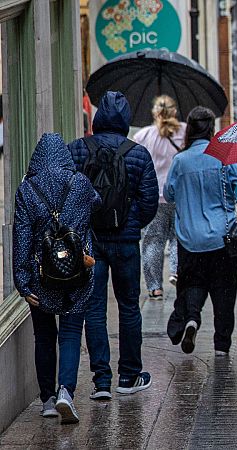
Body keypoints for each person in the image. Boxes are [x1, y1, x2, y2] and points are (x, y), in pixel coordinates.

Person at [69, 91, 158, 399]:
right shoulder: (138, 153)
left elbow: (69, 195)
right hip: (126, 243)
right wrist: (130, 224)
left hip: (90, 242)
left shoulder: (78, 150)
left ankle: (101, 381)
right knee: (129, 307)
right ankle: (129, 376)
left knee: (94, 309)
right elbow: (149, 202)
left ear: (97, 117)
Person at [14, 133, 101, 424]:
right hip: (77, 273)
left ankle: (48, 400)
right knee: (71, 333)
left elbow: (22, 237)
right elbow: (97, 203)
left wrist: (22, 282)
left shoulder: (27, 189)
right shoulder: (79, 183)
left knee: (43, 336)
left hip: (42, 276)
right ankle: (66, 390)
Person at [164, 107, 237, 356]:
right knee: (224, 295)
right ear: (211, 129)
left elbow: (168, 194)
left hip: (190, 240)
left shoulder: (180, 160)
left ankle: (192, 320)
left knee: (193, 285)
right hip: (223, 238)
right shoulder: (224, 158)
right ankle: (221, 346)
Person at [133, 95, 186, 301]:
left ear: (155, 113)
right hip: (179, 195)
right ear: (174, 112)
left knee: (152, 241)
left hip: (153, 198)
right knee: (178, 237)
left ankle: (155, 287)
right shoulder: (184, 131)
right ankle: (176, 271)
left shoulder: (143, 136)